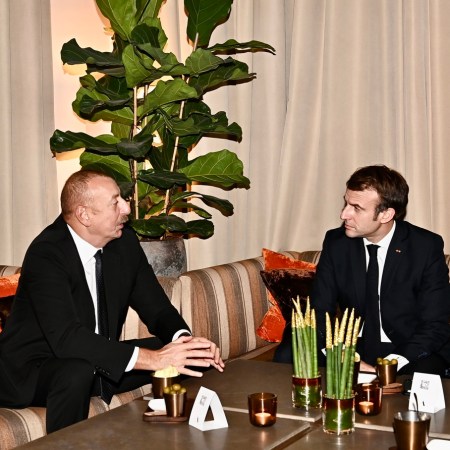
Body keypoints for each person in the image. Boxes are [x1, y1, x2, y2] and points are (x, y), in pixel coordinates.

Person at [0, 170, 224, 433]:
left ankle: (182, 437)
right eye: (115, 202)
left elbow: (157, 308)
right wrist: (153, 360)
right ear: (84, 215)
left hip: (98, 361)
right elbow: (67, 339)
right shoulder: (47, 254)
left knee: (195, 357)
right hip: (36, 370)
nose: (127, 209)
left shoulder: (124, 242)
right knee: (76, 372)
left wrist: (184, 342)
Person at [275, 164, 450, 377]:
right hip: (353, 344)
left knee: (424, 377)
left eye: (356, 208)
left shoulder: (425, 247)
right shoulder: (337, 242)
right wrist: (341, 355)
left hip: (407, 346)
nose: (344, 214)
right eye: (346, 203)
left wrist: (386, 366)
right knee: (288, 354)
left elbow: (435, 324)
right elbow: (319, 310)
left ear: (386, 214)